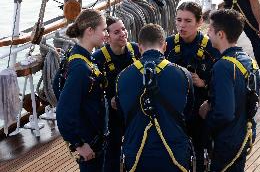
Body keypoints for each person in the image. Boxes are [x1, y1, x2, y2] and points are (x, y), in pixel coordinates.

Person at [116, 23, 195, 172]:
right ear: (165, 46)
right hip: (174, 154)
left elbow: (122, 115)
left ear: (139, 48)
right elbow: (189, 112)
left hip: (137, 156)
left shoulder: (122, 77)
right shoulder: (183, 74)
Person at [199, 9, 260, 172]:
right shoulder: (249, 61)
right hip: (244, 134)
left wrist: (206, 117)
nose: (208, 32)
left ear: (220, 34)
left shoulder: (224, 66)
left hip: (227, 141)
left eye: (210, 29)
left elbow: (225, 113)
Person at [165, 1, 220, 172]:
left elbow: (223, 83)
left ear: (199, 22)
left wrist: (203, 83)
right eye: (179, 20)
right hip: (175, 113)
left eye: (188, 21)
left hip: (200, 112)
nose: (182, 25)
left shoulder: (212, 47)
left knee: (202, 152)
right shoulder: (167, 45)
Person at [54, 9, 108, 172]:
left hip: (94, 137)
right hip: (90, 145)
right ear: (90, 31)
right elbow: (63, 112)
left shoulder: (79, 56)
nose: (106, 34)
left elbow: (57, 83)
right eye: (103, 29)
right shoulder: (80, 68)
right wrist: (79, 144)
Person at [92, 16, 140, 172]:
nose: (123, 34)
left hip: (135, 110)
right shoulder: (98, 59)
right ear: (107, 37)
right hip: (112, 116)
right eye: (117, 32)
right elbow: (92, 91)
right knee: (112, 152)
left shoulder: (136, 50)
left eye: (124, 29)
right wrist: (107, 99)